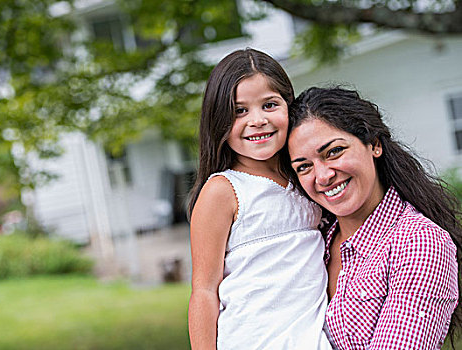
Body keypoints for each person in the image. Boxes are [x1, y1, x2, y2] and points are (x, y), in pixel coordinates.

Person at [287, 86, 462, 349]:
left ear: (374, 144)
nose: (322, 176)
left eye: (333, 152)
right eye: (304, 166)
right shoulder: (309, 242)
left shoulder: (420, 242)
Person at [187, 48, 331, 349]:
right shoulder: (223, 190)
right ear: (219, 120)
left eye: (269, 105)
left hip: (312, 338)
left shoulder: (307, 177)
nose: (257, 120)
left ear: (289, 107)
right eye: (240, 111)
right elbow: (203, 290)